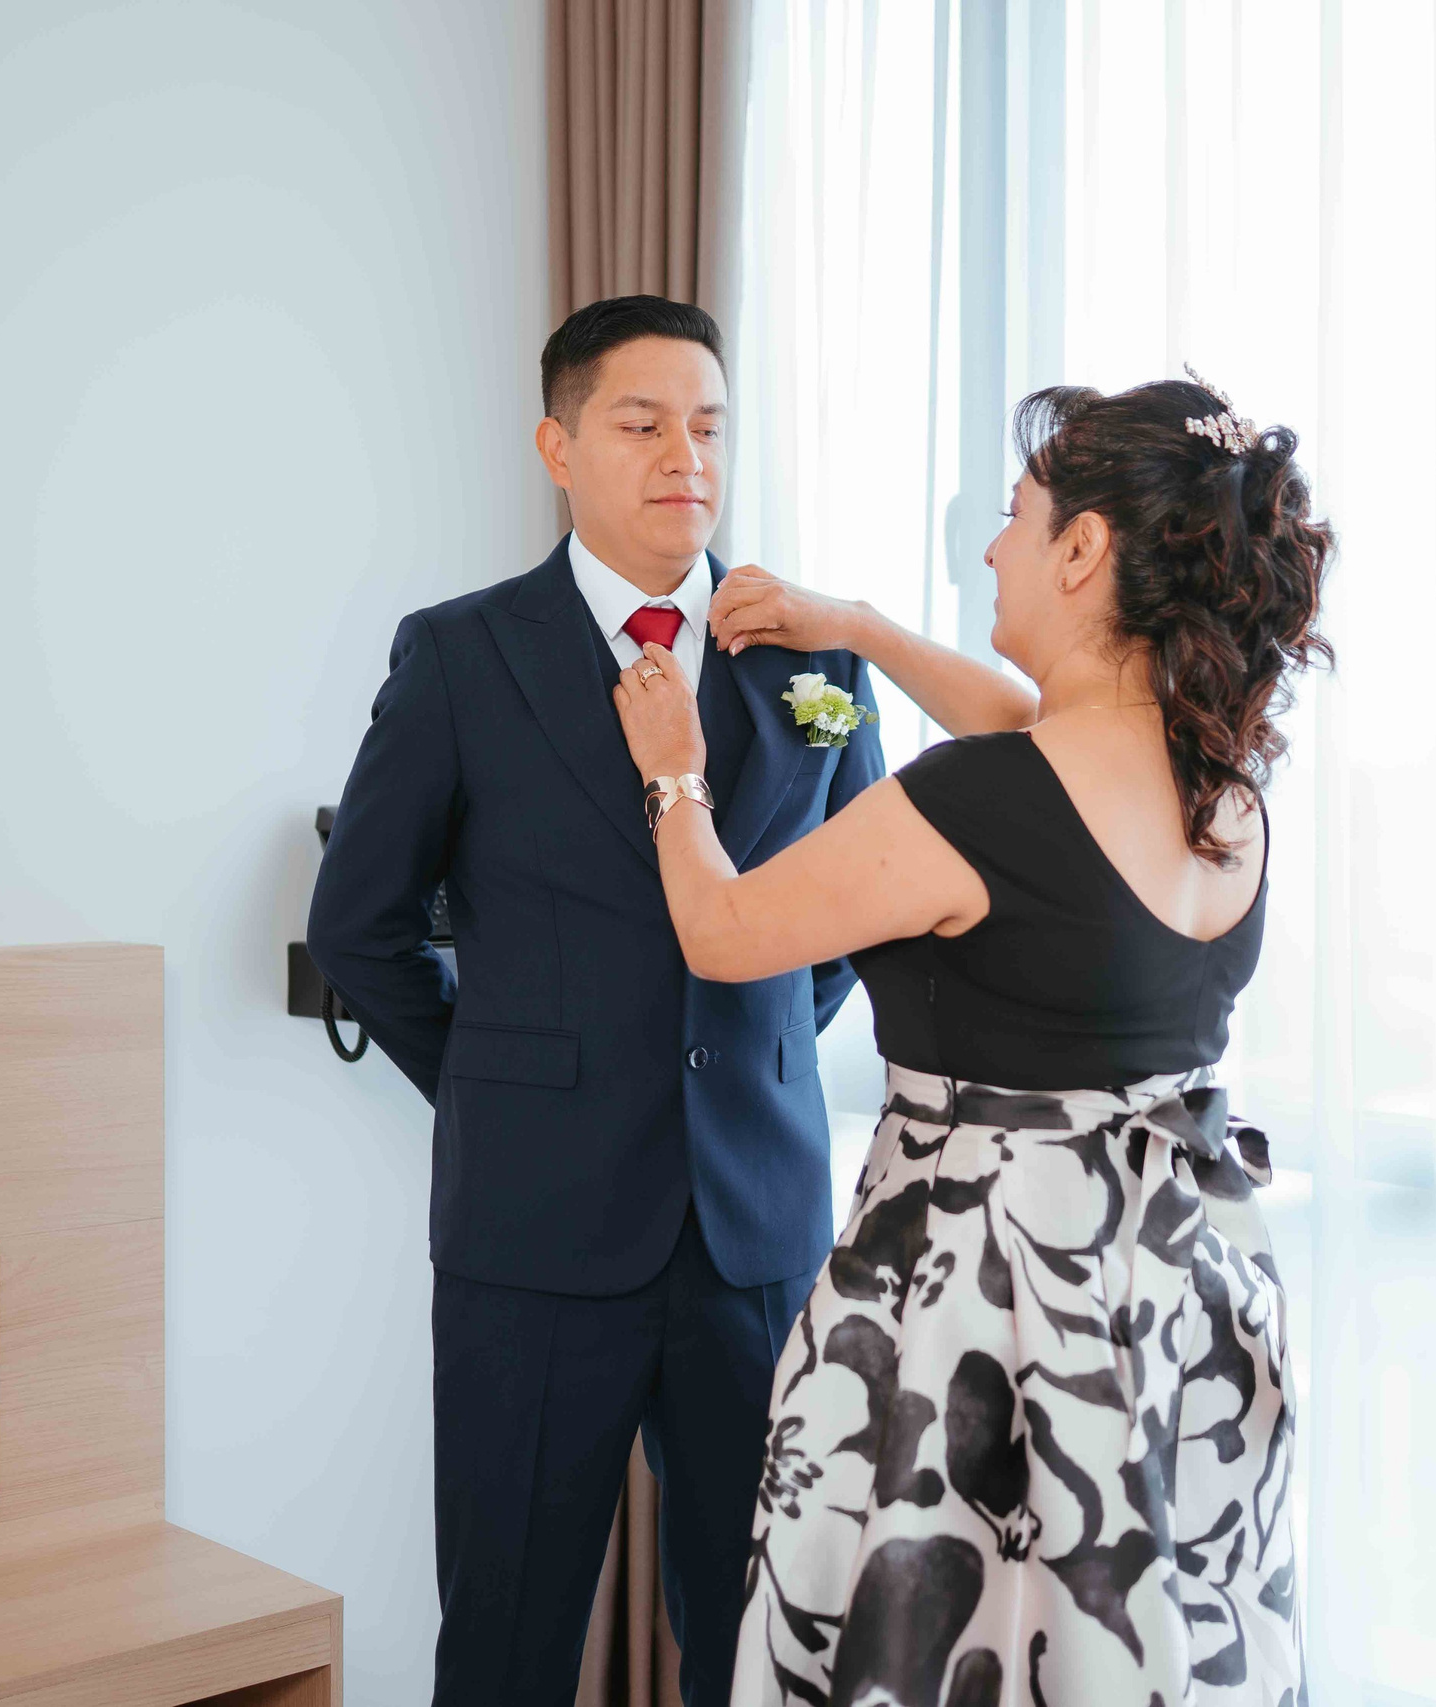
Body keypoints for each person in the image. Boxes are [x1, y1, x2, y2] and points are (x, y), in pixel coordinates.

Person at [611, 377, 1333, 1706]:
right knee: (1111, 1634)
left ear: (1083, 550)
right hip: (1167, 1291)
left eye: (1015, 518)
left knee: (952, 1642)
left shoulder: (975, 805)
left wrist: (673, 769)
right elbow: (1033, 735)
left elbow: (719, 929)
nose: (994, 549)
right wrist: (863, 630)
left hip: (983, 1297)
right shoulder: (1220, 787)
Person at [306, 295, 887, 1706]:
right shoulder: (461, 655)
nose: (685, 454)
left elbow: (855, 910)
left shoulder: (813, 661)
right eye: (643, 423)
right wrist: (506, 1078)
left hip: (755, 1237)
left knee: (764, 1648)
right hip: (533, 1240)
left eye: (709, 426)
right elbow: (360, 930)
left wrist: (739, 1053)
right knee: (506, 1644)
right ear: (558, 447)